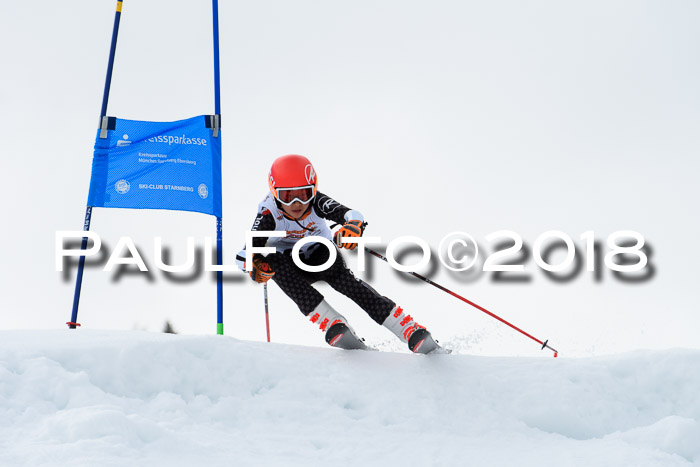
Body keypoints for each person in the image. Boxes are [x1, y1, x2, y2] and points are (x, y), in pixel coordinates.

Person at [236, 154, 440, 353]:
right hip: (290, 267)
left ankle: (408, 329)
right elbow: (244, 254)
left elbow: (351, 214)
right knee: (271, 260)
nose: (296, 203)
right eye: (288, 196)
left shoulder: (317, 202)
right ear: (274, 193)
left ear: (313, 190)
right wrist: (254, 266)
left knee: (347, 284)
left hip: (319, 255)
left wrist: (352, 227)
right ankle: (332, 323)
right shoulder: (268, 213)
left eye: (304, 194)